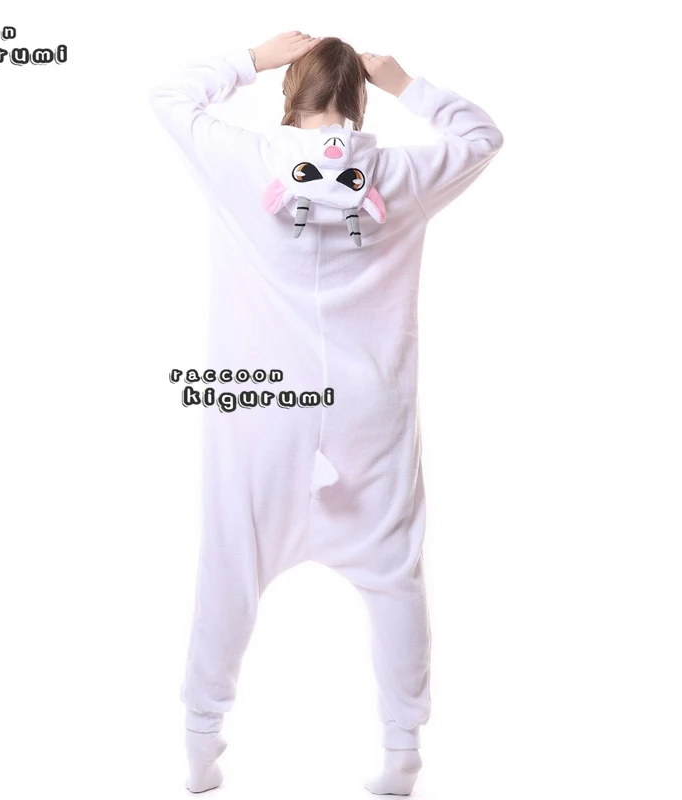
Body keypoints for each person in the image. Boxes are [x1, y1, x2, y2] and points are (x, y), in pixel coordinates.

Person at [150, 31, 504, 795]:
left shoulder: (246, 162)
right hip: (369, 411)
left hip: (262, 413)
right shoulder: (399, 174)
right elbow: (482, 137)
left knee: (230, 565)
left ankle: (201, 737)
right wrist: (405, 82)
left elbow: (169, 96)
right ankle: (402, 750)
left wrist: (251, 58)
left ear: (290, 96)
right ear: (360, 102)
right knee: (393, 573)